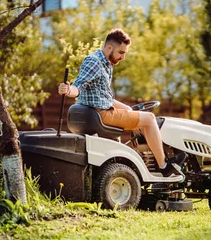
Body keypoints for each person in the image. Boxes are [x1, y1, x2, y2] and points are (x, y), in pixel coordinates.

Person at [58, 28, 186, 177]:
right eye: (121, 52)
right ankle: (164, 166)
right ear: (110, 47)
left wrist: (127, 109)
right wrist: (68, 90)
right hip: (102, 114)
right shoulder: (94, 61)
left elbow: (102, 95)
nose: (123, 57)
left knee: (136, 114)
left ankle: (147, 163)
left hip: (102, 109)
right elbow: (78, 86)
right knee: (150, 119)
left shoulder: (107, 63)